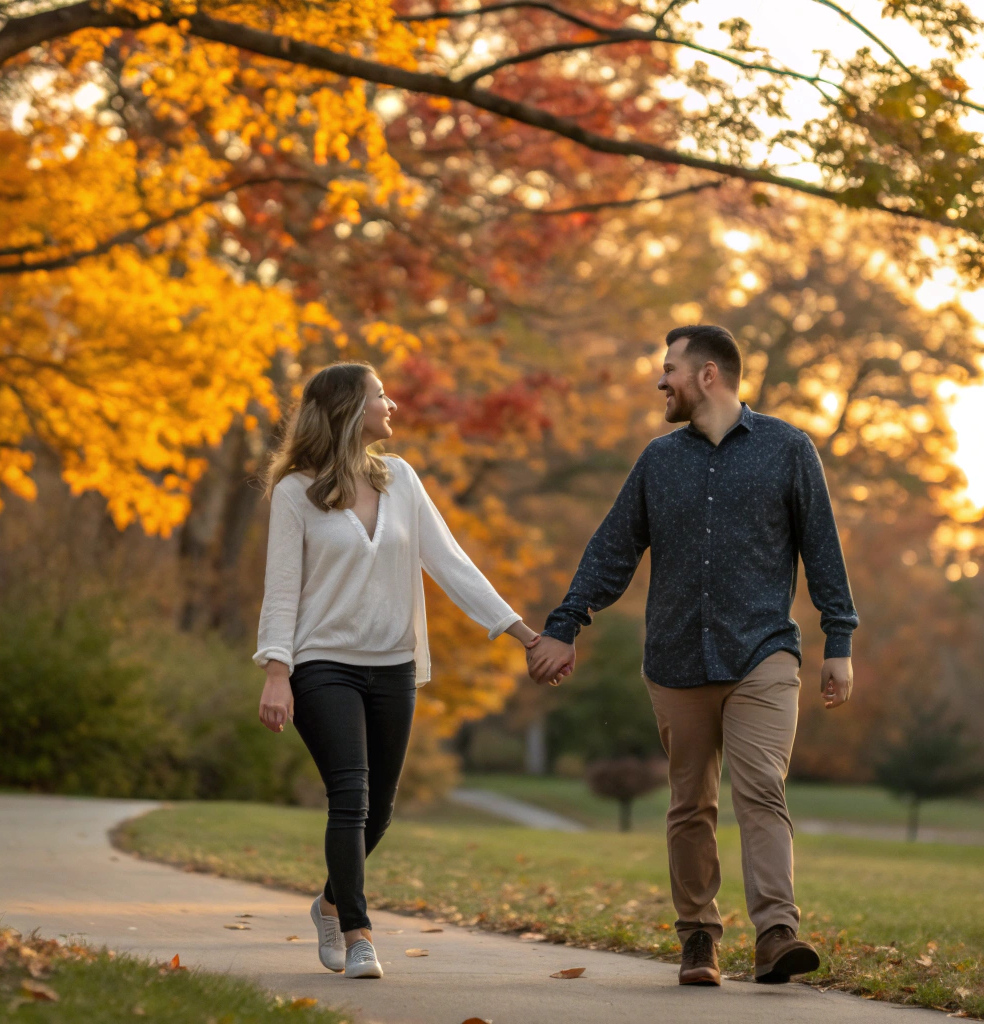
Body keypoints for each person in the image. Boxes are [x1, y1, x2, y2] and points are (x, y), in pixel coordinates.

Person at [527, 324, 857, 988]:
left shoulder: (788, 450)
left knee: (760, 789)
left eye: (669, 368)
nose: (661, 381)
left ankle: (776, 934)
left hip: (763, 653)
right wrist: (566, 624)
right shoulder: (658, 460)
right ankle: (699, 938)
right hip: (676, 658)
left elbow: (822, 549)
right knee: (690, 804)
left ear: (708, 375)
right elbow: (612, 549)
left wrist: (839, 642)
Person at [254, 362, 540, 980]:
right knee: (350, 797)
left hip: (392, 666)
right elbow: (280, 591)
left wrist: (521, 632)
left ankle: (329, 903)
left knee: (378, 811)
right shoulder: (294, 492)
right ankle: (358, 933)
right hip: (321, 663)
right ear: (350, 410)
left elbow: (452, 564)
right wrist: (277, 671)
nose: (393, 407)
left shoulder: (402, 480)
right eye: (382, 397)